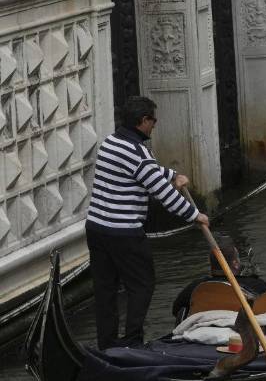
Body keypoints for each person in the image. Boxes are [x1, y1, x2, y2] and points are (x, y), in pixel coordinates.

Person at [87, 95, 210, 348]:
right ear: (143, 121)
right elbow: (163, 195)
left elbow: (144, 171)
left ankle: (107, 345)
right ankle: (133, 343)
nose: (155, 125)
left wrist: (173, 174)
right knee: (142, 285)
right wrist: (195, 215)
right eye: (153, 121)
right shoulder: (138, 153)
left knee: (105, 289)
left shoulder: (111, 142)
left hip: (96, 228)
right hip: (124, 233)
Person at [171, 237, 266, 322]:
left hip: (204, 332)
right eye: (238, 259)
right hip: (238, 332)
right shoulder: (255, 285)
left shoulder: (196, 287)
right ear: (235, 264)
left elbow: (176, 310)